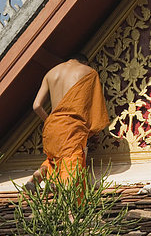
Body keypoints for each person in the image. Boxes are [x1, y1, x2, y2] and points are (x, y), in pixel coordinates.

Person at [24, 54, 109, 190]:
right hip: (72, 127)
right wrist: (92, 130)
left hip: (52, 126)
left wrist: (51, 121)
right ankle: (62, 187)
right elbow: (95, 106)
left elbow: (36, 106)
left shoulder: (51, 73)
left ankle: (35, 178)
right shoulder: (88, 72)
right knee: (71, 163)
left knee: (53, 159)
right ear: (85, 62)